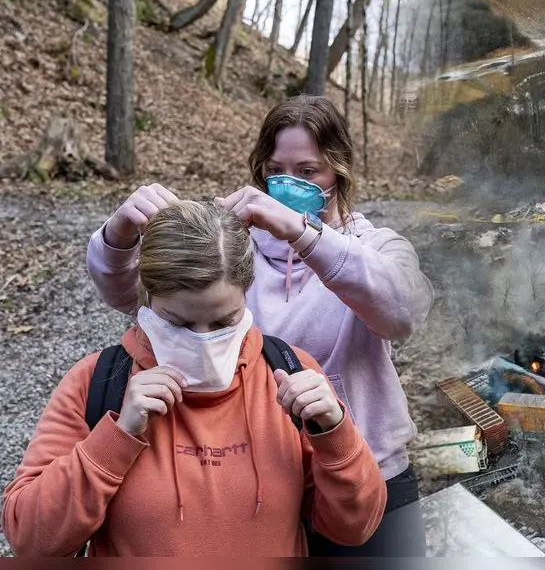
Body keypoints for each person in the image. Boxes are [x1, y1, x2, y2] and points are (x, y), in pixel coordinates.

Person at [84, 95, 434, 556]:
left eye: (308, 172)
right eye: (276, 170)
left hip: (368, 469)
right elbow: (138, 296)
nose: (290, 183)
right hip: (266, 482)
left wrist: (303, 234)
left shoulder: (375, 247)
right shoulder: (238, 251)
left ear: (339, 171)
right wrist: (118, 233)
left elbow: (403, 311)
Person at [3, 201, 387, 557]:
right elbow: (31, 539)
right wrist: (118, 436)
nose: (204, 339)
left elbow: (355, 527)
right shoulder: (99, 382)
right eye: (179, 323)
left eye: (224, 321)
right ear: (147, 299)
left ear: (246, 297)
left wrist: (335, 431)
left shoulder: (288, 370)